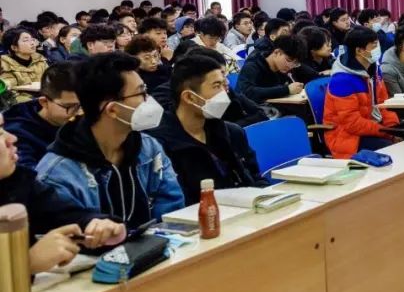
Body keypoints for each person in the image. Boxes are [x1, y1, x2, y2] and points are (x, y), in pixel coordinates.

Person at [35, 53, 185, 229]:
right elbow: (70, 238)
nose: (148, 100)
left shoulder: (149, 148)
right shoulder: (58, 174)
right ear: (113, 109)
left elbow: (172, 216)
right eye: (141, 93)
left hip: (156, 244)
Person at [0, 107, 127, 275]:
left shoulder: (16, 181)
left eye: (4, 129)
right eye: (0, 133)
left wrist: (97, 225)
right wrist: (26, 263)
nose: (12, 138)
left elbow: (64, 215)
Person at [147, 54, 266, 206]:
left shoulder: (231, 132)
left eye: (224, 85)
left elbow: (256, 179)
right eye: (216, 86)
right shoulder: (160, 145)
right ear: (189, 97)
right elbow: (177, 205)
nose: (224, 93)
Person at [325, 28, 401, 155]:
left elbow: (384, 104)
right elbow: (352, 124)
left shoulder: (374, 70)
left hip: (373, 128)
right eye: (374, 46)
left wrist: (393, 128)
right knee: (392, 152)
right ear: (359, 51)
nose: (378, 49)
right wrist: (386, 132)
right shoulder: (342, 80)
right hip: (348, 136)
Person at [4, 62, 81, 169]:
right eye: (70, 106)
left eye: (85, 104)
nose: (80, 113)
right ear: (44, 102)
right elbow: (30, 175)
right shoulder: (18, 135)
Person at [236, 35, 305, 104]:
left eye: (295, 63)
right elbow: (246, 92)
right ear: (276, 52)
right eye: (288, 60)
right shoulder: (252, 66)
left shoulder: (283, 70)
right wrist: (286, 90)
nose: (290, 66)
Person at [1, 27, 49, 103]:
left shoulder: (40, 60)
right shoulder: (4, 64)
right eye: (26, 40)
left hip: (46, 98)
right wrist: (35, 101)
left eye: (32, 39)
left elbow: (51, 81)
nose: (32, 43)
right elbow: (10, 93)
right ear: (14, 47)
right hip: (22, 104)